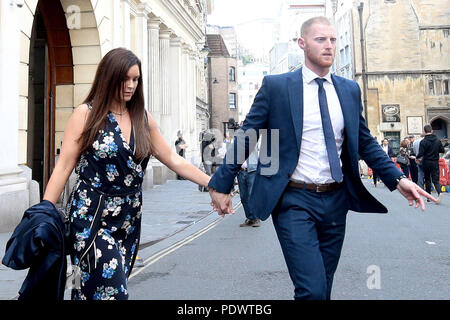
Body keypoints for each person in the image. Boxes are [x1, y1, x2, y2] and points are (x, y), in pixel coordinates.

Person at [207, 17, 437, 300]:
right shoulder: (277, 86)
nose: (329, 46)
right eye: (320, 39)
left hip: (335, 200)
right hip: (293, 200)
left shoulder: (348, 90)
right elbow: (248, 134)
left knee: (323, 287)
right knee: (312, 291)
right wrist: (221, 183)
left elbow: (364, 141)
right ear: (302, 43)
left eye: (333, 40)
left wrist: (398, 179)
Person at [42, 48, 210, 300]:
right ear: (109, 77)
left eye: (136, 79)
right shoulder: (86, 114)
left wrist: (213, 183)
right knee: (114, 291)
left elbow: (173, 158)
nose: (131, 85)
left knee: (93, 292)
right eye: (125, 79)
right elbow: (65, 165)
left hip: (129, 219)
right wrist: (43, 212)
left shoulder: (142, 118)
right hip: (92, 217)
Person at [416, 124, 445, 204]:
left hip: (426, 162)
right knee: (436, 180)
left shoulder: (423, 141)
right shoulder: (437, 140)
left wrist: (416, 157)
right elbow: (442, 150)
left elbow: (421, 153)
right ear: (432, 131)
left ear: (424, 132)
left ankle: (428, 197)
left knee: (427, 179)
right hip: (435, 162)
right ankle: (439, 192)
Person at [238, 145, 260, 227]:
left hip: (252, 170)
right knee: (243, 196)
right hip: (240, 172)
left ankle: (256, 218)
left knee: (252, 195)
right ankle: (250, 218)